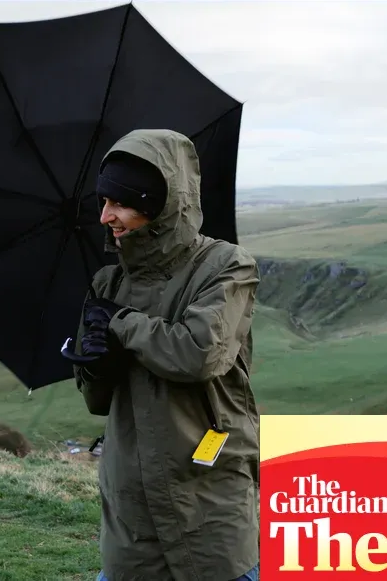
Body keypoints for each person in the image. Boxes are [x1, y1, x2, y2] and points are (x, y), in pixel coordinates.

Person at [63, 129, 261, 581]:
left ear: (157, 202)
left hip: (209, 500)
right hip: (131, 514)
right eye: (102, 202)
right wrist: (95, 364)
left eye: (119, 203)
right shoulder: (107, 284)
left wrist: (122, 324)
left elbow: (199, 353)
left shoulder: (226, 266)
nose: (105, 216)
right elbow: (97, 403)